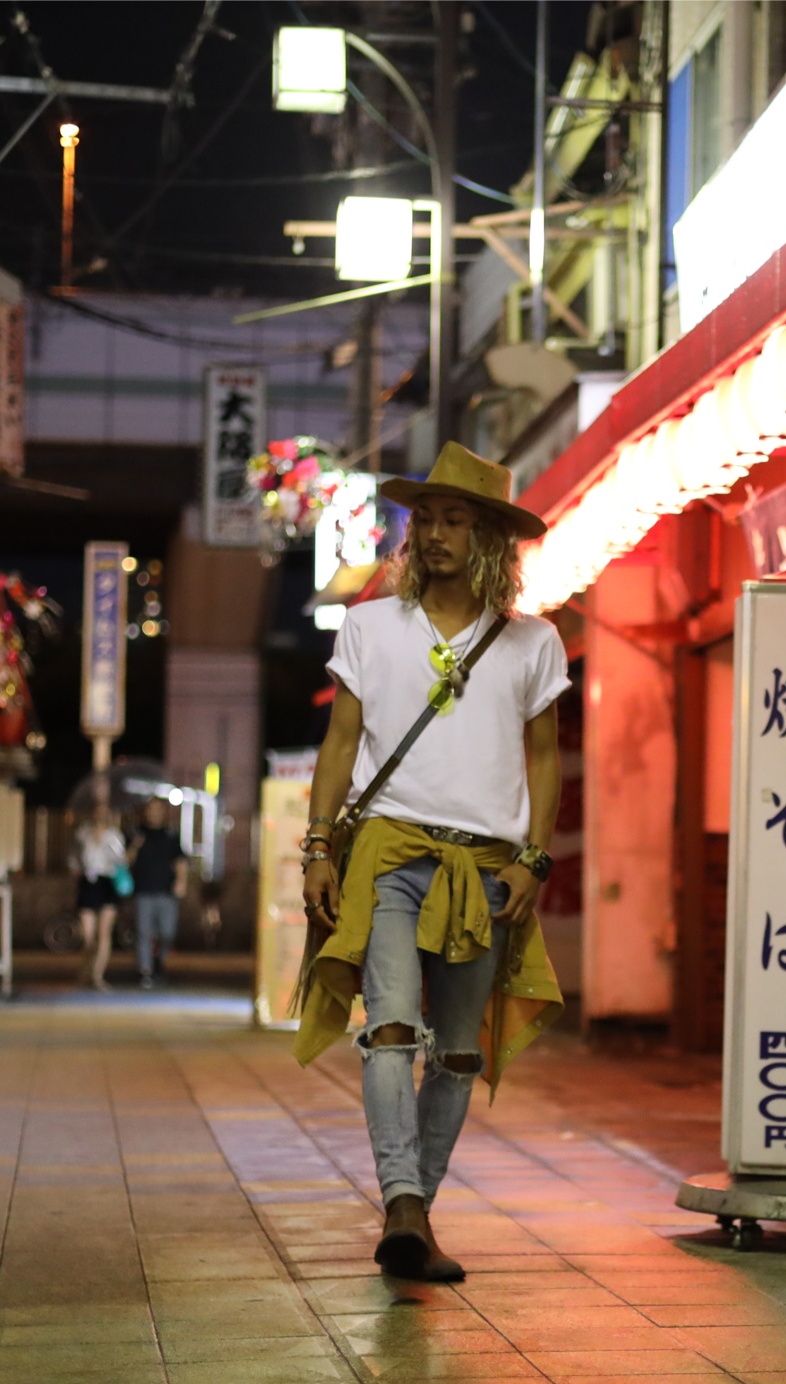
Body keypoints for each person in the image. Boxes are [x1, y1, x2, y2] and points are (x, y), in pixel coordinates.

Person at [296, 442, 568, 1284]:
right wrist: (315, 844)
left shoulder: (532, 642)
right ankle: (403, 1202)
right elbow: (341, 743)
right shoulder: (372, 625)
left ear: (490, 539)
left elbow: (548, 760)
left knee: (456, 1053)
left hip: (486, 868)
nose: (436, 534)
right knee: (389, 1029)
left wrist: (534, 859)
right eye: (427, 519)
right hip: (386, 853)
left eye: (456, 519)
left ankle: (416, 1215)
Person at [127, 797, 189, 989]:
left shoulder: (171, 834)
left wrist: (181, 882)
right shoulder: (135, 833)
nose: (154, 813)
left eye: (158, 809)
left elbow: (180, 860)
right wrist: (135, 846)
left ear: (163, 812)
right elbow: (126, 861)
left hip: (166, 892)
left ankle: (159, 961)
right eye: (151, 810)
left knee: (167, 932)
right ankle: (145, 971)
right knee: (144, 932)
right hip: (143, 890)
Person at [72, 806, 126, 991]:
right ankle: (86, 969)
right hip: (89, 882)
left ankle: (97, 975)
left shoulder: (114, 835)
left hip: (108, 882)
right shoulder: (82, 834)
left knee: (104, 933)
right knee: (87, 935)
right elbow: (74, 858)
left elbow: (121, 859)